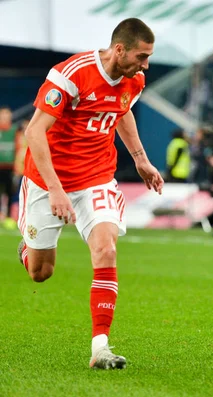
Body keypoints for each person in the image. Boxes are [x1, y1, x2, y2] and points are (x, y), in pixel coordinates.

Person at [17, 18, 163, 370]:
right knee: (41, 272)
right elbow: (35, 133)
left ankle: (100, 348)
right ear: (119, 50)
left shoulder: (135, 79)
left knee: (105, 249)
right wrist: (56, 191)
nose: (146, 65)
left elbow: (122, 109)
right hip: (47, 179)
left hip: (97, 177)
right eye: (142, 56)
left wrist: (141, 159)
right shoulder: (70, 75)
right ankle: (27, 248)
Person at [0, 106, 17, 228]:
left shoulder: (15, 130)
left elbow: (19, 148)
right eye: (3, 114)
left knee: (9, 192)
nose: (5, 117)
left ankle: (9, 218)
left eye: (7, 114)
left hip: (10, 167)